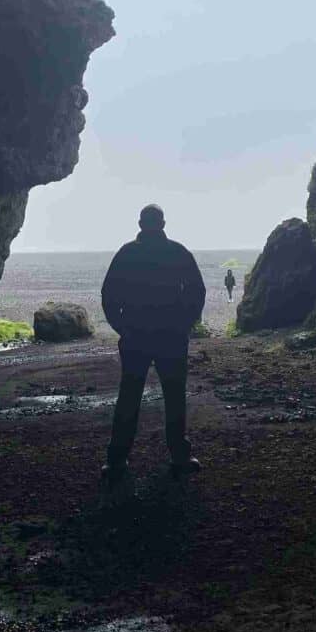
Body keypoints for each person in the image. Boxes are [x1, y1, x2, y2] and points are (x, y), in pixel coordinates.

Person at [101, 204, 206, 482]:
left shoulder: (127, 253)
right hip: (171, 336)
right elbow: (197, 290)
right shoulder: (178, 252)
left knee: (129, 396)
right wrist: (184, 323)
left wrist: (122, 327)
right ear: (162, 223)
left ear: (140, 223)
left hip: (135, 336)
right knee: (174, 396)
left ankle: (117, 459)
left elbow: (109, 294)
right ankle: (180, 456)